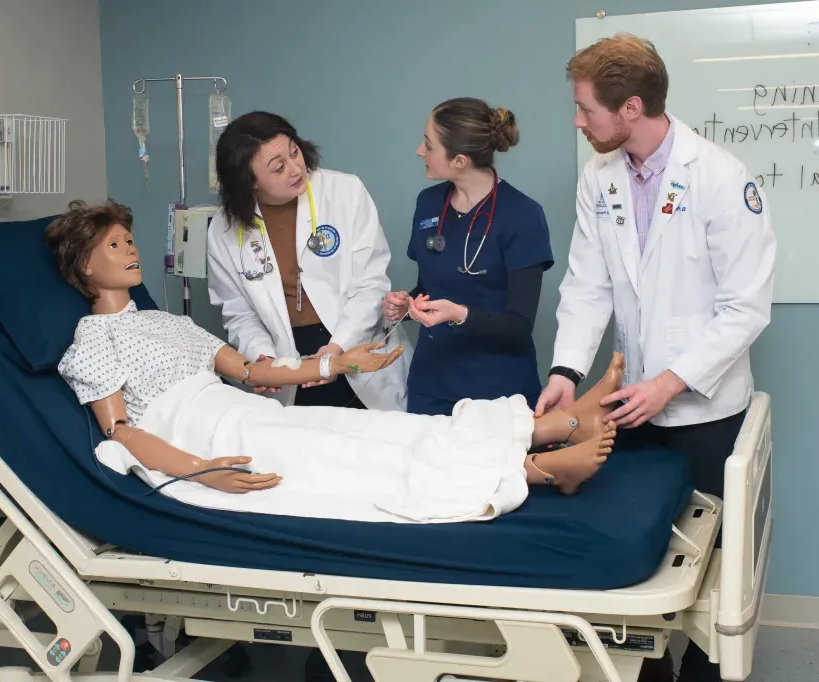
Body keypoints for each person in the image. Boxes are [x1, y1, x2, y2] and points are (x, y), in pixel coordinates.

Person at [47, 199, 622, 518]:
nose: (131, 250)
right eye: (114, 245)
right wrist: (202, 471)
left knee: (387, 430)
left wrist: (337, 367)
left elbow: (251, 372)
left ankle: (556, 425)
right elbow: (120, 432)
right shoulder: (93, 339)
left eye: (129, 239)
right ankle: (537, 471)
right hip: (207, 438)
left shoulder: (166, 322)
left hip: (255, 413)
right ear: (83, 266)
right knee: (357, 459)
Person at [534, 34, 776, 682]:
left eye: (587, 109)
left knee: (710, 577)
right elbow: (587, 285)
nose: (578, 121)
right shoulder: (600, 176)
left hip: (704, 414)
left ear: (632, 108)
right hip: (631, 411)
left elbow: (746, 308)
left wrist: (671, 383)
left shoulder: (720, 178)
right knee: (639, 569)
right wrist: (564, 372)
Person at [206, 111, 411, 413]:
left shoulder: (345, 192)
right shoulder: (224, 229)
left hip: (354, 344)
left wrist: (335, 351)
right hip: (288, 363)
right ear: (248, 181)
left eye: (294, 151)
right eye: (278, 167)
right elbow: (239, 314)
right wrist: (263, 360)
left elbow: (371, 285)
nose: (295, 168)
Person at [383, 98, 554, 416]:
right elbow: (428, 288)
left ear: (459, 161)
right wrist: (406, 305)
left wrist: (458, 314)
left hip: (498, 393)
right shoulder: (429, 203)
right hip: (431, 386)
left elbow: (519, 326)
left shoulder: (522, 215)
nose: (420, 151)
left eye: (428, 144)